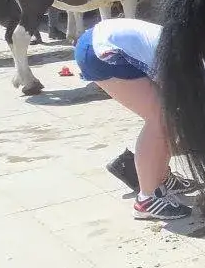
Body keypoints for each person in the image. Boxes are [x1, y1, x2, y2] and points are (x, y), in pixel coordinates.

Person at [74, 17, 195, 221]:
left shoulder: (199, 54)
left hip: (103, 40)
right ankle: (146, 199)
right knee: (160, 119)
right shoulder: (198, 66)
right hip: (102, 51)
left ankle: (162, 179)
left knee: (167, 118)